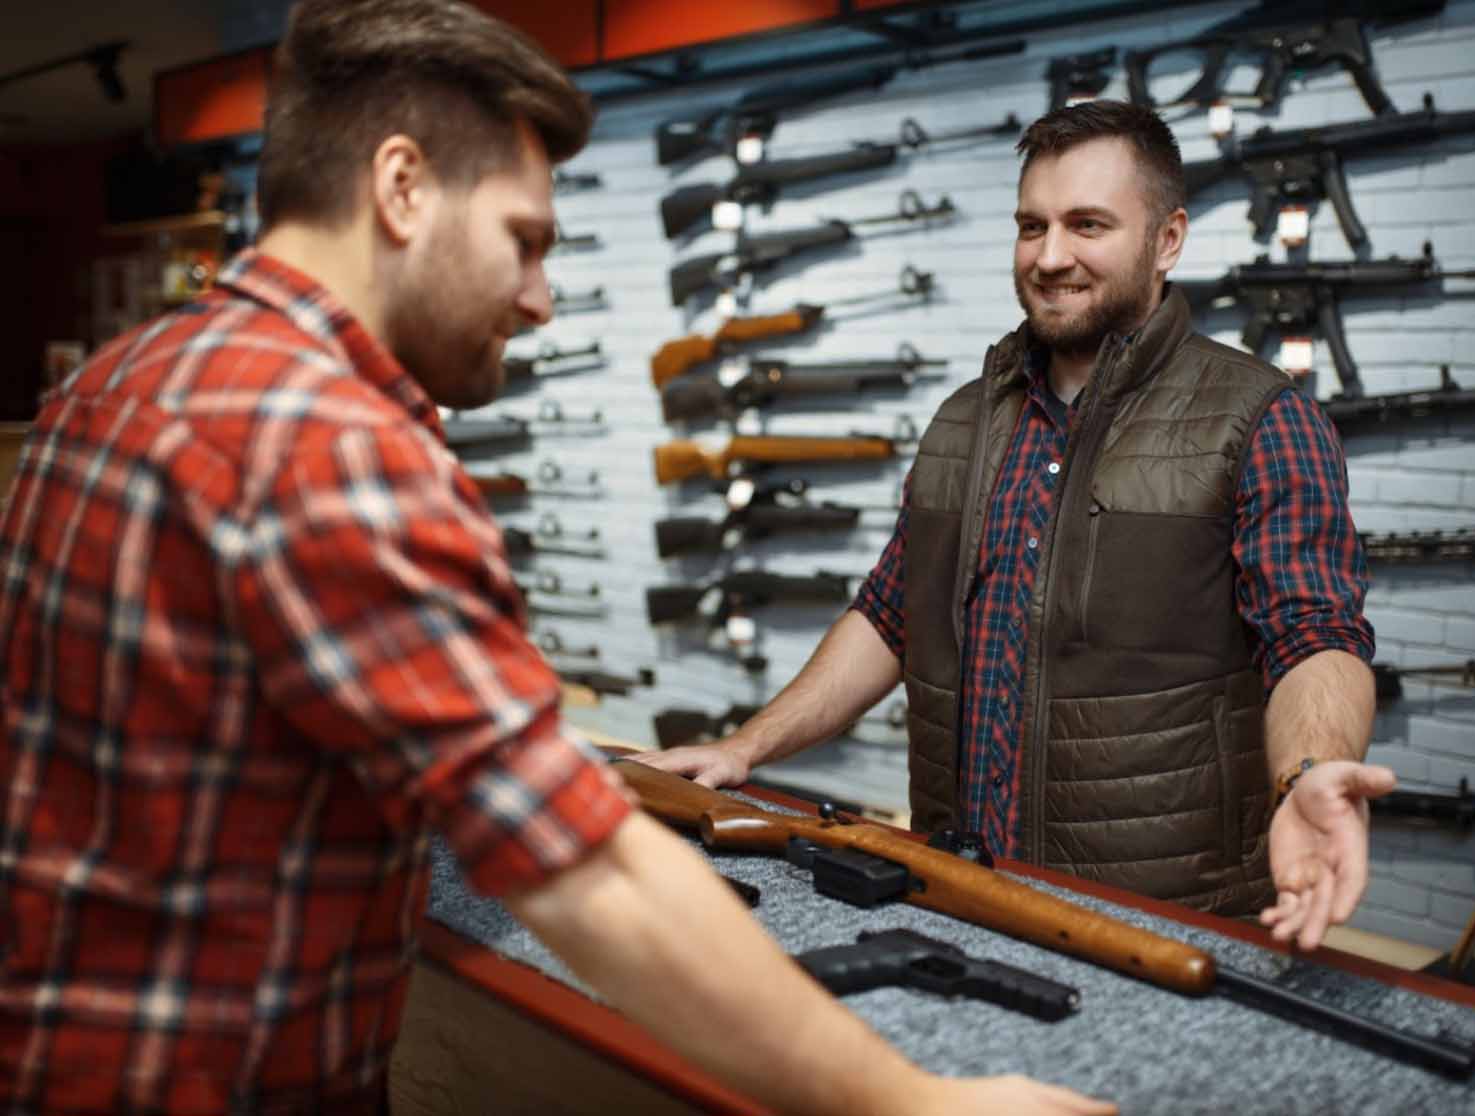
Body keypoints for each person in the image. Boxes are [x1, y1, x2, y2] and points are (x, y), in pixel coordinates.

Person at [0, 4, 1115, 1114]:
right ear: (401, 189)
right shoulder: (330, 444)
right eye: (523, 240)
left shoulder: (122, 377)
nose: (536, 299)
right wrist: (912, 1104)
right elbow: (591, 878)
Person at [632, 100, 1397, 953]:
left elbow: (1315, 635)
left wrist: (1310, 774)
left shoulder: (1260, 418)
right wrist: (747, 748)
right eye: (1031, 226)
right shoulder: (964, 421)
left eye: (1088, 224)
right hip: (957, 886)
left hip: (1160, 922)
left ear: (1168, 240)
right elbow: (889, 616)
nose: (1051, 255)